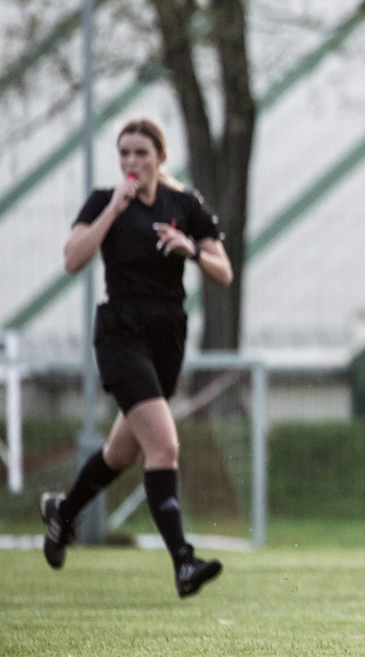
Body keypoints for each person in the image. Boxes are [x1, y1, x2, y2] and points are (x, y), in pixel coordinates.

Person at [40, 119, 234, 598]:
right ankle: (183, 563)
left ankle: (62, 512)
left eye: (141, 153)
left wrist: (191, 250)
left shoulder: (184, 205)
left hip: (167, 338)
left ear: (160, 158)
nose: (131, 162)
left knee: (121, 453)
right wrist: (111, 211)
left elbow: (224, 272)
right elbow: (72, 259)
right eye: (124, 153)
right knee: (164, 447)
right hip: (120, 336)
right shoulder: (104, 201)